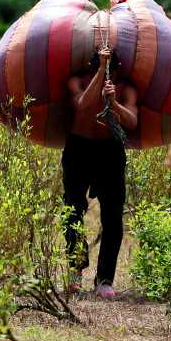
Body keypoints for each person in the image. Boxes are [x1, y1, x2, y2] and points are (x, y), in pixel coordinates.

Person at [63, 44, 138, 299]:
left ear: (118, 68)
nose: (106, 73)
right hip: (78, 150)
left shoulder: (125, 88)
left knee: (113, 218)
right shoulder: (78, 82)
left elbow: (132, 121)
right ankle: (75, 269)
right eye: (99, 67)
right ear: (92, 67)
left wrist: (114, 102)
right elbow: (83, 105)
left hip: (110, 152)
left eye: (109, 68)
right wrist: (101, 72)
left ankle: (104, 280)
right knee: (72, 210)